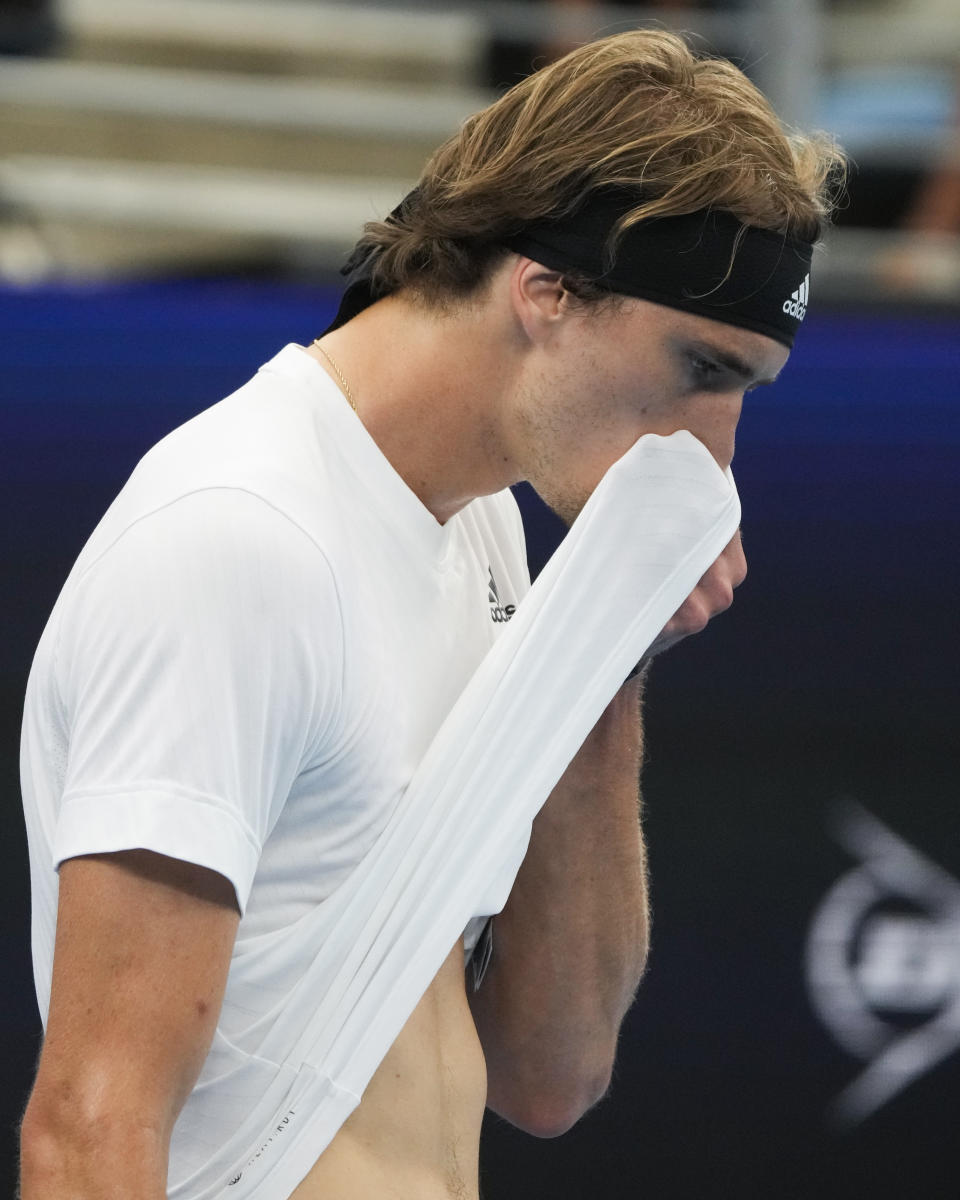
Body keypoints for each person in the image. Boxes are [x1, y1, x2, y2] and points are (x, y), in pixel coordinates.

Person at [18, 29, 842, 1200]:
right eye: (704, 371)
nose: (717, 460)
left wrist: (605, 644)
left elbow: (552, 1070)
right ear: (545, 290)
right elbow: (91, 1128)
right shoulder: (238, 544)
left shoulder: (484, 528)